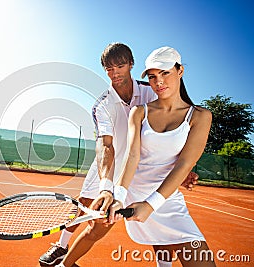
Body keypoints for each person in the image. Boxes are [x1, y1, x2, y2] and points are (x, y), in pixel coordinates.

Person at [39, 43, 198, 266]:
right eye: (109, 69)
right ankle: (62, 246)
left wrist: (185, 167)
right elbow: (105, 146)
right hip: (109, 166)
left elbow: (172, 128)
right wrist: (106, 185)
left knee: (156, 219)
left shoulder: (151, 91)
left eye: (120, 66)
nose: (115, 73)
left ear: (131, 65)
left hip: (142, 169)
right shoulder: (102, 104)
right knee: (86, 206)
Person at [106, 46, 215, 266]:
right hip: (134, 193)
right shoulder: (139, 112)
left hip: (165, 197)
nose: (159, 82)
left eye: (165, 73)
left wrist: (151, 204)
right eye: (153, 76)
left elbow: (184, 164)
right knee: (161, 245)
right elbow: (132, 156)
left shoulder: (200, 116)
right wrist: (118, 196)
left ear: (180, 71)